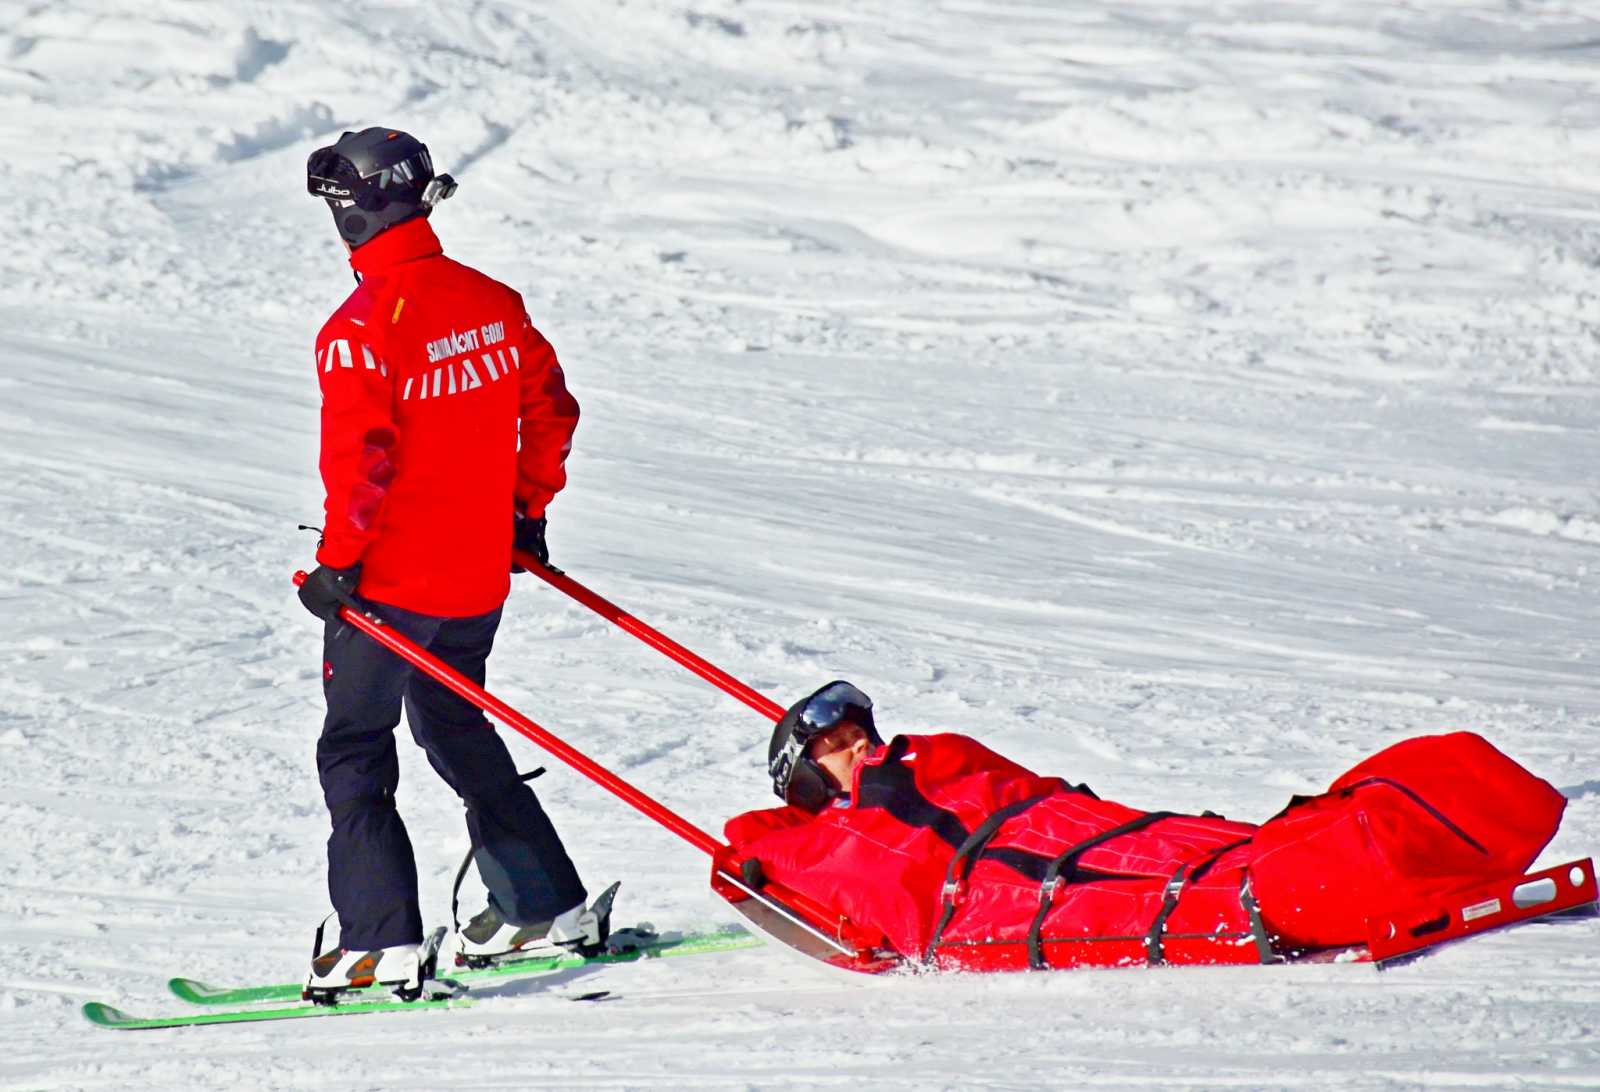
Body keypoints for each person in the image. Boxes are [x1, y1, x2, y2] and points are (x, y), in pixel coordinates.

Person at [297, 127, 595, 998]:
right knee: (455, 724)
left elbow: (361, 462)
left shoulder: (358, 327)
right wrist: (525, 510)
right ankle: (538, 902)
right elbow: (551, 411)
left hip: (389, 587)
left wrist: (337, 566)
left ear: (353, 217)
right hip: (475, 576)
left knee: (354, 746)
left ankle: (379, 941)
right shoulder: (492, 301)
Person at [727, 681, 1568, 970]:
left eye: (859, 732)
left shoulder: (929, 764)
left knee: (1215, 850)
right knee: (1224, 889)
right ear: (807, 785)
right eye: (835, 750)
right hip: (1001, 885)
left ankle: (1428, 819)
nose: (861, 748)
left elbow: (1007, 790)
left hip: (1062, 828)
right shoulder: (841, 841)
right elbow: (816, 876)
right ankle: (1377, 858)